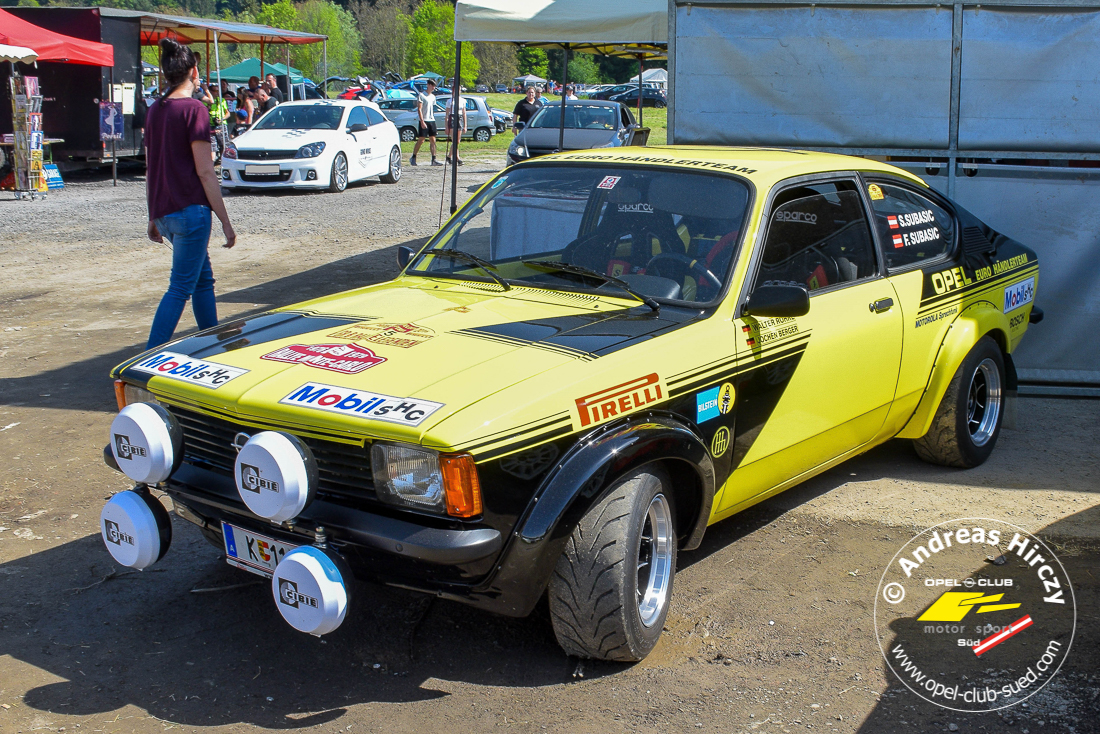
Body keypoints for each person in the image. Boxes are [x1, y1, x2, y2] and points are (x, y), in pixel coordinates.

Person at [143, 37, 236, 349]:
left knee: (202, 280)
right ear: (194, 71)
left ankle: (214, 344)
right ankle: (148, 356)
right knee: (180, 287)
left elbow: (151, 167)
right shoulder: (194, 110)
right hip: (191, 211)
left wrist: (153, 216)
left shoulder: (155, 110)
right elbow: (205, 170)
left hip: (165, 211)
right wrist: (225, 220)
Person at [410, 78, 441, 166]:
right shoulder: (422, 95)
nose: (433, 88)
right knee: (421, 140)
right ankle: (413, 157)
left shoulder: (433, 97)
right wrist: (422, 121)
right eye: (432, 85)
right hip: (424, 120)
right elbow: (419, 109)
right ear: (428, 85)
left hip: (432, 120)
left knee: (433, 140)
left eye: (434, 86)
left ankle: (434, 159)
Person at [444, 88, 467, 165]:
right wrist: (446, 126)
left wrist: (465, 125)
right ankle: (458, 158)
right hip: (452, 118)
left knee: (457, 141)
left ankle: (449, 156)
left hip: (459, 118)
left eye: (459, 90)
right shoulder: (450, 101)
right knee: (454, 140)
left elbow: (464, 113)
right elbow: (447, 114)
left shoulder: (463, 100)